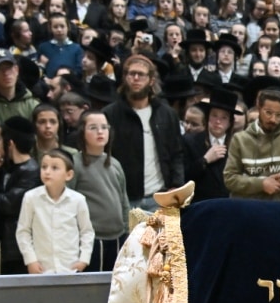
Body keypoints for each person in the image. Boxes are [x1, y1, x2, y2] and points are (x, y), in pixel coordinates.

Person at [102, 54, 184, 208]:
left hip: (161, 195)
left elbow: (176, 153)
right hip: (125, 198)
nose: (136, 78)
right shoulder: (110, 114)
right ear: (125, 77)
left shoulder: (166, 114)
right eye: (131, 74)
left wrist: (176, 185)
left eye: (141, 74)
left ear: (151, 80)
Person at [0, 115, 41, 274]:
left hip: (16, 249)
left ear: (10, 143)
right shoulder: (4, 167)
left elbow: (7, 204)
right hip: (0, 243)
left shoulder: (32, 172)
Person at [16, 148, 93, 273]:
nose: (47, 172)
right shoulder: (31, 198)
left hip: (70, 268)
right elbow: (23, 231)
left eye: (54, 168)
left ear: (68, 175)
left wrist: (84, 259)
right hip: (42, 269)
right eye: (44, 167)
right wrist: (30, 260)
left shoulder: (78, 200)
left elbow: (87, 232)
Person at [70, 111, 129, 271]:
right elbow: (68, 202)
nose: (100, 132)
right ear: (82, 132)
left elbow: (123, 201)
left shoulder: (115, 164)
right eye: (93, 128)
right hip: (91, 240)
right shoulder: (75, 164)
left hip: (117, 237)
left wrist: (126, 230)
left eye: (104, 127)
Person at [183, 86, 238, 201]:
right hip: (198, 203)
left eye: (224, 117)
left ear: (230, 122)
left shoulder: (237, 145)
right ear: (207, 117)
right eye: (214, 115)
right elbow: (184, 177)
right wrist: (205, 160)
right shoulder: (190, 141)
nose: (218, 121)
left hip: (227, 204)